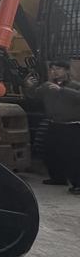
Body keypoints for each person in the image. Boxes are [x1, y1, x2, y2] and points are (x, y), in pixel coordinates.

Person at [25, 60, 80, 191]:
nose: (54, 72)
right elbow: (33, 98)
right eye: (52, 69)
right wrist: (30, 87)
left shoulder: (75, 86)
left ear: (67, 70)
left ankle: (78, 184)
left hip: (71, 126)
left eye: (58, 69)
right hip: (53, 124)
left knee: (72, 155)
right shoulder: (47, 86)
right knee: (51, 152)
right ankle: (58, 178)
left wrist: (62, 90)